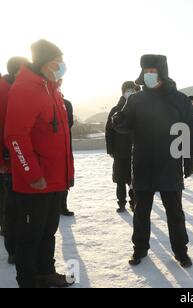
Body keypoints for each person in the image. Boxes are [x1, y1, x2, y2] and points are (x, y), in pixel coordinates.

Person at [113, 55, 193, 268]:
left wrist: (190, 162)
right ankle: (139, 249)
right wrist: (118, 121)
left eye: (153, 71)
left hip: (170, 164)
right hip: (142, 164)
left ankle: (181, 251)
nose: (149, 75)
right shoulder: (136, 99)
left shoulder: (180, 99)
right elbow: (125, 125)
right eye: (146, 71)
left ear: (162, 72)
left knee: (175, 213)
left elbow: (190, 133)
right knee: (141, 212)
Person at [5, 39, 75, 288]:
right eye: (57, 62)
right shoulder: (26, 89)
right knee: (31, 235)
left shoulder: (51, 88)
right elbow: (15, 136)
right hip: (36, 181)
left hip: (54, 178)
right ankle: (27, 280)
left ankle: (46, 272)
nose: (61, 66)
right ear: (44, 64)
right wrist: (31, 173)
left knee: (48, 232)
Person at [0, 57, 30, 264]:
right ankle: (14, 249)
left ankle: (22, 245)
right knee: (12, 209)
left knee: (22, 208)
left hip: (23, 160)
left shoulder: (18, 88)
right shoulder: (5, 92)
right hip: (9, 162)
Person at [105, 81, 139, 213]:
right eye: (128, 90)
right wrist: (111, 149)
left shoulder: (139, 109)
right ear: (123, 92)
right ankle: (121, 202)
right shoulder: (115, 110)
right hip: (119, 150)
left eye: (133, 90)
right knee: (120, 178)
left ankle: (134, 202)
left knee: (134, 179)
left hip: (135, 150)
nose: (130, 93)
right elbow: (109, 131)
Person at [57, 79, 75, 217]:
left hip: (65, 145)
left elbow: (69, 123)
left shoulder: (67, 104)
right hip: (51, 147)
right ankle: (55, 207)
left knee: (65, 177)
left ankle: (63, 206)